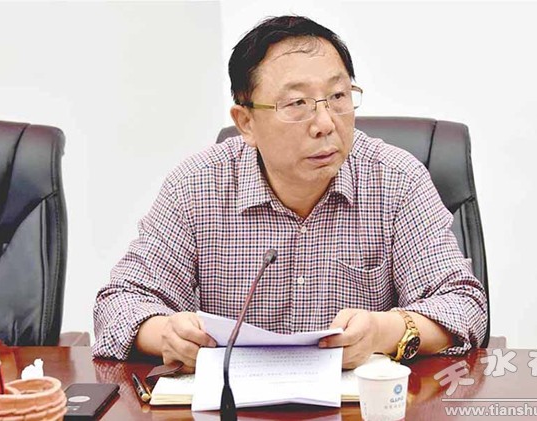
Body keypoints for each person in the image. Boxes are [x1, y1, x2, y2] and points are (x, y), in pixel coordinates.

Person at [93, 15, 487, 370]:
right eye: (297, 103)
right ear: (246, 122)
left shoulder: (396, 180)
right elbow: (118, 303)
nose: (325, 123)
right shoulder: (197, 185)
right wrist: (165, 334)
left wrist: (384, 331)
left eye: (338, 96)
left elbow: (464, 305)